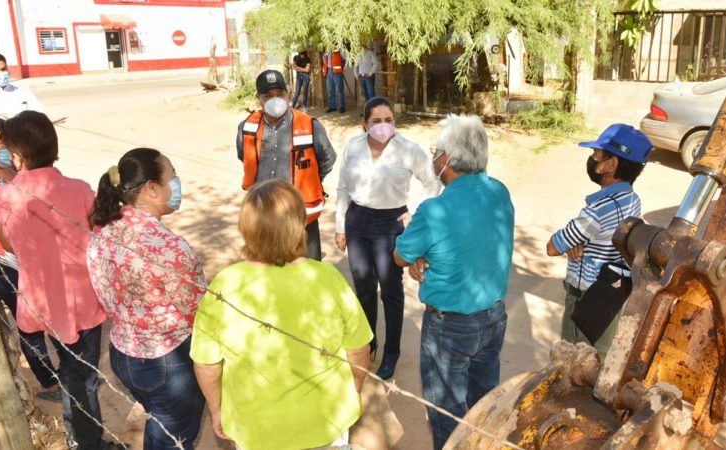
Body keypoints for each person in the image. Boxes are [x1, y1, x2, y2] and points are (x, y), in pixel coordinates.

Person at [190, 179, 373, 449]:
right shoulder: (328, 278)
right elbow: (358, 349)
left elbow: (207, 364)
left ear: (246, 229)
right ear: (300, 224)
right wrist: (354, 391)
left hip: (256, 429)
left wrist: (217, 410)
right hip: (326, 421)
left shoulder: (224, 285)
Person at [0, 111, 117, 450]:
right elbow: (96, 234)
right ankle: (89, 443)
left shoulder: (4, 198)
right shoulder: (79, 190)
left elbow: (9, 243)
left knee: (75, 374)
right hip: (84, 302)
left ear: (17, 154)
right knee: (83, 377)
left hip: (41, 302)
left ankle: (81, 438)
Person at [394, 114, 514, 449]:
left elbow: (400, 257)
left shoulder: (434, 210)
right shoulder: (499, 192)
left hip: (449, 327)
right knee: (484, 403)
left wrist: (413, 242)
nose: (433, 156)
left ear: (446, 159)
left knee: (446, 415)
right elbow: (472, 243)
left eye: (436, 151)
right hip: (493, 318)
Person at [87, 148, 206, 450]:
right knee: (173, 438)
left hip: (122, 352)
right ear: (152, 189)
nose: (177, 184)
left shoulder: (103, 229)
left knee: (161, 421)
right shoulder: (169, 247)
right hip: (167, 364)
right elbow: (199, 313)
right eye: (172, 177)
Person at [335, 96, 441, 380]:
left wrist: (415, 213)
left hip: (390, 223)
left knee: (390, 290)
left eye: (389, 120)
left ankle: (392, 351)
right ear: (364, 124)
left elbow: (433, 182)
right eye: (376, 121)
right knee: (364, 286)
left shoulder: (408, 149)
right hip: (357, 220)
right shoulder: (353, 147)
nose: (384, 126)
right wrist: (340, 225)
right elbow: (343, 188)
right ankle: (369, 342)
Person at [0, 116, 60, 402]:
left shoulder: (14, 167)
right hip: (6, 262)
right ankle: (49, 383)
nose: (8, 145)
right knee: (29, 324)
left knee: (51, 313)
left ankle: (69, 371)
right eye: (2, 141)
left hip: (35, 257)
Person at [546, 123, 651, 359]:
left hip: (586, 299)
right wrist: (580, 240)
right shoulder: (632, 199)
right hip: (611, 292)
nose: (592, 160)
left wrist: (574, 239)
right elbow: (608, 236)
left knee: (572, 361)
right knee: (599, 355)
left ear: (612, 164)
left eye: (597, 155)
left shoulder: (597, 212)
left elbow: (552, 247)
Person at [236, 69, 336, 260]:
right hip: (263, 214)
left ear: (288, 94)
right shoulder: (247, 126)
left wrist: (310, 181)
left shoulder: (309, 125)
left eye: (280, 94)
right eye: (268, 96)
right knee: (266, 266)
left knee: (308, 269)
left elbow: (327, 159)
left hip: (300, 213)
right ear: (259, 98)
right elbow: (244, 156)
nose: (276, 100)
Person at [0, 52, 43, 119]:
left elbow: (38, 113)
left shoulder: (23, 92)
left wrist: (7, 116)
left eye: (3, 69)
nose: (1, 73)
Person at [322, 47, 347, 113]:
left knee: (339, 89)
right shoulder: (328, 49)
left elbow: (347, 58)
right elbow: (324, 57)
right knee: (330, 90)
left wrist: (345, 67)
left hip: (337, 72)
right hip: (329, 71)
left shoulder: (340, 49)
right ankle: (332, 107)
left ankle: (342, 107)